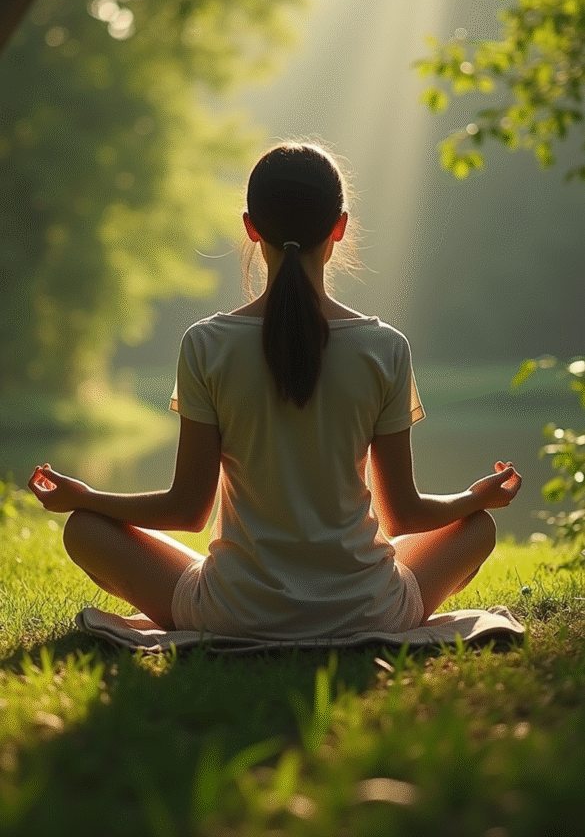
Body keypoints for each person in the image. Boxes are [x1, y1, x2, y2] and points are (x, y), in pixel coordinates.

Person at [29, 142, 522, 637]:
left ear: (251, 227)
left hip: (233, 613)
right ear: (340, 226)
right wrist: (471, 497)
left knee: (85, 528)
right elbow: (403, 514)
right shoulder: (385, 347)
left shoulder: (206, 344)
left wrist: (89, 495)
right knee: (477, 527)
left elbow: (186, 510)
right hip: (368, 610)